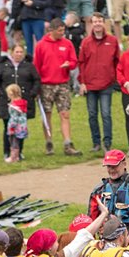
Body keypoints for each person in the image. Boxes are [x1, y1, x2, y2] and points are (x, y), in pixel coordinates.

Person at [34, 18, 80, 156]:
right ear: (52, 30)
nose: (62, 33)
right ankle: (49, 142)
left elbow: (74, 61)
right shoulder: (41, 45)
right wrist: (36, 87)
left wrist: (69, 65)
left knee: (65, 114)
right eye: (59, 31)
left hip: (63, 84)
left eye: (63, 30)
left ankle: (68, 143)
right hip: (46, 85)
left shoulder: (67, 44)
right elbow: (36, 67)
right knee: (47, 115)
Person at [77, 12, 119, 153]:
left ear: (104, 23)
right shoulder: (86, 42)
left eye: (100, 21)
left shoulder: (113, 41)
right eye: (95, 22)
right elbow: (81, 63)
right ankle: (96, 143)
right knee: (92, 115)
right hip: (90, 85)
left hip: (106, 83)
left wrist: (115, 79)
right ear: (91, 24)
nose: (97, 24)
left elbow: (117, 62)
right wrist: (82, 82)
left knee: (106, 114)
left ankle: (107, 142)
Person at [0, 44, 41, 162]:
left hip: (23, 102)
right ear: (11, 52)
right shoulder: (3, 65)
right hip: (7, 102)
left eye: (21, 52)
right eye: (17, 52)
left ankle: (19, 152)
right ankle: (7, 151)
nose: (19, 54)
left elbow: (37, 80)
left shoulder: (29, 66)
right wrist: (1, 93)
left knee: (20, 127)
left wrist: (32, 93)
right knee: (7, 126)